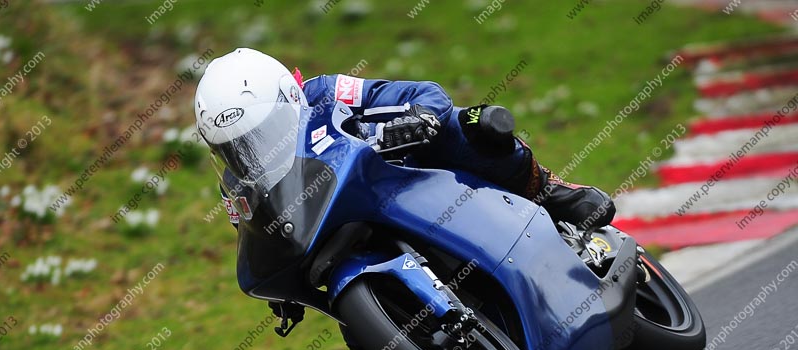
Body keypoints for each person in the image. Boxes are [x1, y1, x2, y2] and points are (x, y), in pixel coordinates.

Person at [195, 48, 615, 232]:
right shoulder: (236, 183)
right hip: (344, 223)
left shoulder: (323, 93)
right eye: (234, 147)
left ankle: (546, 188)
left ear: (289, 97)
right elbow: (256, 237)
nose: (247, 153)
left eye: (257, 134)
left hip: (403, 174)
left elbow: (422, 94)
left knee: (471, 123)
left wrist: (419, 120)